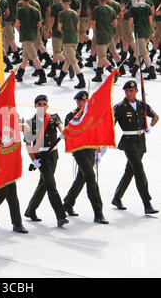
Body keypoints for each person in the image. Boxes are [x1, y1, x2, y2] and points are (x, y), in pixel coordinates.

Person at [112, 81, 160, 214]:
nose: (128, 93)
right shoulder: (119, 107)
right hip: (128, 141)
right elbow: (111, 125)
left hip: (140, 141)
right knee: (139, 170)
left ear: (136, 91)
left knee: (130, 170)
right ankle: (147, 204)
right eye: (126, 91)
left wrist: (150, 126)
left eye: (131, 91)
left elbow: (156, 116)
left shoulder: (141, 105)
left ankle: (117, 198)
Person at [62, 92, 108, 224]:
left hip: (91, 149)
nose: (80, 103)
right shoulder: (72, 115)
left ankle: (68, 202)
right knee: (90, 177)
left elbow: (98, 130)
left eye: (83, 101)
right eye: (78, 101)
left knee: (82, 177)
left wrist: (99, 150)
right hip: (79, 150)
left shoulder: (92, 113)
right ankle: (98, 212)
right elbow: (69, 132)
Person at [23, 95, 69, 227]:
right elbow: (28, 143)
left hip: (53, 155)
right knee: (51, 186)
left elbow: (61, 127)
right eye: (39, 104)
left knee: (43, 184)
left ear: (47, 106)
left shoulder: (53, 117)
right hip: (41, 157)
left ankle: (30, 210)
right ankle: (60, 215)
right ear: (35, 106)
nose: (42, 106)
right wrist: (34, 161)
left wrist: (63, 132)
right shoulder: (30, 123)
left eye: (44, 104)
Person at [0, 128, 28, 234]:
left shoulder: (14, 117)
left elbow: (26, 128)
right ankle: (17, 223)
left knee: (3, 189)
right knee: (11, 189)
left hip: (11, 159)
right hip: (0, 160)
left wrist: (22, 125)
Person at [14, 0, 47, 85]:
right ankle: (20, 74)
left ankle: (42, 75)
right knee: (25, 56)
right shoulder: (36, 10)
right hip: (33, 35)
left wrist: (21, 30)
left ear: (22, 0)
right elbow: (39, 24)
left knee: (34, 57)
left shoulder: (20, 10)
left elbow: (17, 24)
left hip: (25, 36)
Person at [55, 0, 86, 88]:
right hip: (74, 38)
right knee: (67, 61)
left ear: (62, 2)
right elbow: (77, 27)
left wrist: (64, 31)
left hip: (67, 39)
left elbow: (59, 27)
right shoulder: (75, 13)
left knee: (73, 61)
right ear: (70, 2)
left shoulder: (62, 13)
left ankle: (82, 81)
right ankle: (60, 79)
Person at [128, 0, 157, 79]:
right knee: (140, 50)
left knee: (144, 53)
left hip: (139, 32)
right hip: (147, 31)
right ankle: (135, 69)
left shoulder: (133, 8)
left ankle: (151, 71)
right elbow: (151, 21)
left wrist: (133, 29)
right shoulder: (147, 6)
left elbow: (130, 23)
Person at [90, 0, 117, 82]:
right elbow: (115, 23)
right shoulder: (111, 9)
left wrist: (95, 30)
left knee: (102, 57)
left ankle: (113, 71)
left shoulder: (96, 9)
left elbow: (93, 23)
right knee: (103, 55)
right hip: (109, 34)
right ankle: (98, 75)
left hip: (100, 35)